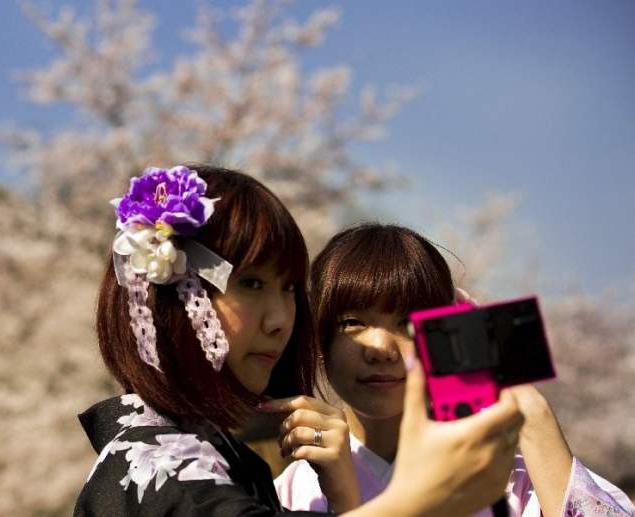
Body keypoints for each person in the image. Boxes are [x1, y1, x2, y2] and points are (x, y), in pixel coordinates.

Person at [73, 166, 525, 517]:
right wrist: (418, 497)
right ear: (170, 290)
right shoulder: (161, 469)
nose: (281, 320)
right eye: (251, 284)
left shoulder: (221, 456)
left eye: (290, 289)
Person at [274, 221, 635, 517]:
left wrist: (529, 409)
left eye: (408, 323)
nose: (381, 349)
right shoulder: (291, 491)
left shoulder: (511, 475)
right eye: (352, 322)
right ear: (319, 342)